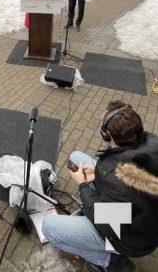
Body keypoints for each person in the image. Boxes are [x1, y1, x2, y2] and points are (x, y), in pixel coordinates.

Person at [42, 100, 158, 272]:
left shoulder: (118, 182)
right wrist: (97, 174)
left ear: (107, 135)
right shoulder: (150, 141)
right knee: (75, 157)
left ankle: (110, 261)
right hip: (137, 213)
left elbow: (103, 221)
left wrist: (83, 185)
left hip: (130, 239)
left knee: (48, 227)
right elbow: (122, 188)